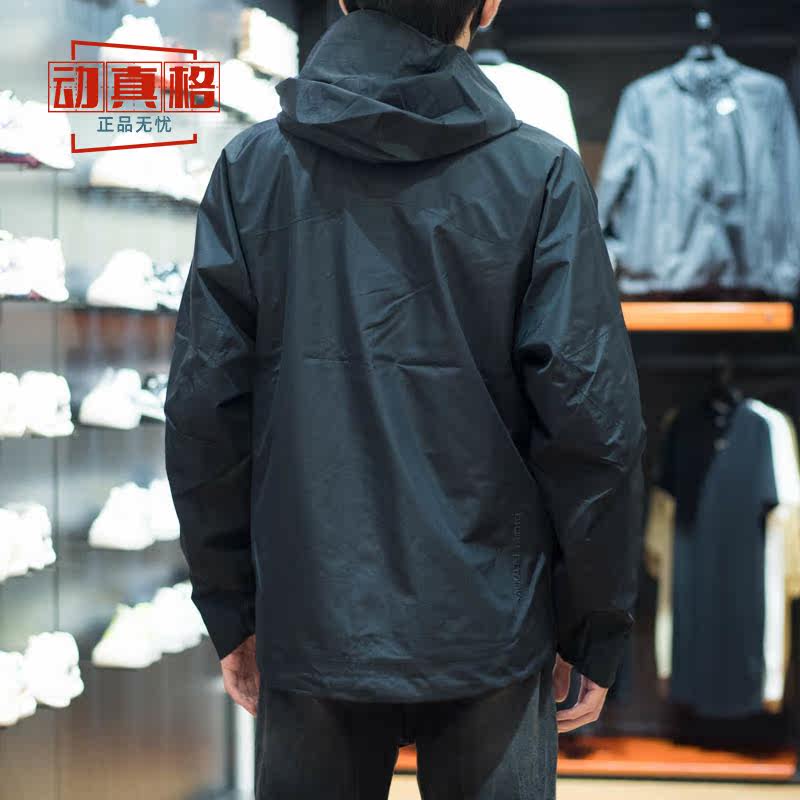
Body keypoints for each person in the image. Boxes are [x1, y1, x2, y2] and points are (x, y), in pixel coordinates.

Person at [165, 1, 646, 797]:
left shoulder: (252, 170)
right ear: (488, 3)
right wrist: (593, 625)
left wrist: (232, 609)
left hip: (311, 610)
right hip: (494, 619)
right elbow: (593, 427)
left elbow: (204, 412)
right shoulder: (541, 175)